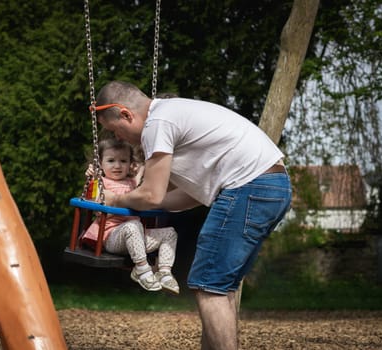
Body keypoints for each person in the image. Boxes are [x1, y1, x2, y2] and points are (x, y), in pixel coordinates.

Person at [91, 81, 292, 350]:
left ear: (126, 114)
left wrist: (115, 198)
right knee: (220, 285)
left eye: (116, 130)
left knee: (209, 284)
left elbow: (151, 194)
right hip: (273, 187)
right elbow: (179, 198)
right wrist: (142, 204)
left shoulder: (157, 123)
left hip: (250, 187)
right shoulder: (173, 115)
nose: (120, 139)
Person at [83, 138, 180, 294]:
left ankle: (164, 272)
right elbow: (91, 197)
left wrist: (144, 164)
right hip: (112, 237)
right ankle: (141, 268)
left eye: (123, 161)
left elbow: (143, 170)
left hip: (138, 238)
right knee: (132, 226)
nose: (117, 165)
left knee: (170, 233)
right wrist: (91, 176)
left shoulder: (133, 183)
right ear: (100, 163)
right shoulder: (100, 182)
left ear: (130, 164)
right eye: (111, 160)